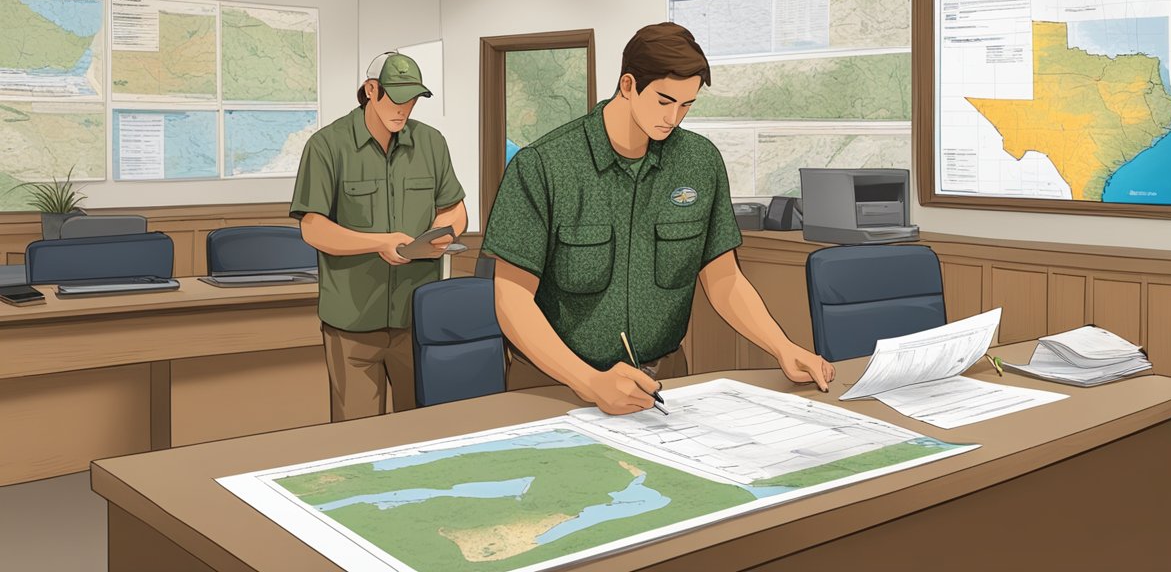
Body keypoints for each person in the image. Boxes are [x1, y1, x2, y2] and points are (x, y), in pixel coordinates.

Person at [482, 22, 834, 415]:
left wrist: (782, 347)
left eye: (686, 105)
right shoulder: (543, 166)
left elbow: (724, 279)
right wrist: (589, 382)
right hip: (556, 388)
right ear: (629, 85)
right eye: (664, 101)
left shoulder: (700, 162)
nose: (674, 118)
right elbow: (511, 298)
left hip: (667, 387)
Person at [289, 51, 467, 421]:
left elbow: (455, 208)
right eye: (397, 97)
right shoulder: (326, 146)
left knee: (421, 430)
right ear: (371, 90)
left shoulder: (432, 144)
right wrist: (380, 243)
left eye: (413, 99)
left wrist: (442, 234)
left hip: (418, 317)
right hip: (354, 323)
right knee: (356, 440)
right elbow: (313, 227)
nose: (405, 108)